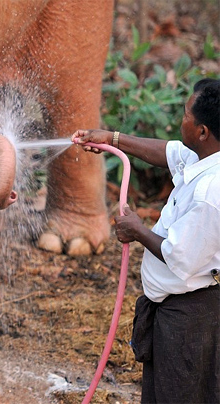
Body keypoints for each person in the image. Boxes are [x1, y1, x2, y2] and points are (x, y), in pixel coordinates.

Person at [72, 77, 220, 404]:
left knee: (181, 395)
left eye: (185, 115)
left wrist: (138, 230)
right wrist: (111, 138)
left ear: (203, 132)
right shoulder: (204, 157)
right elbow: (167, 152)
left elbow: (179, 257)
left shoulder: (211, 193)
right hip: (174, 308)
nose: (179, 120)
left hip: (191, 315)